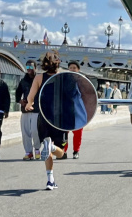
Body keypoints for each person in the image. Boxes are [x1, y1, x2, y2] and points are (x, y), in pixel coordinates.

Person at [25, 51, 66, 190]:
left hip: (42, 117)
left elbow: (30, 97)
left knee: (47, 147)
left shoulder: (39, 77)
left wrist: (29, 104)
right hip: (59, 119)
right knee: (61, 153)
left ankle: (50, 180)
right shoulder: (63, 77)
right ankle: (52, 147)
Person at [15, 59, 41, 160]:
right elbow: (17, 93)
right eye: (27, 67)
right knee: (25, 132)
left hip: (37, 109)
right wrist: (20, 101)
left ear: (35, 68)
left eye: (31, 67)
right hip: (25, 109)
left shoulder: (39, 79)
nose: (29, 69)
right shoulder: (23, 80)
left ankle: (37, 149)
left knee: (35, 130)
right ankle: (28, 152)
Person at [67, 60, 84, 159]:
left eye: (74, 68)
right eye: (70, 68)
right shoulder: (64, 79)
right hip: (66, 110)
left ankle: (76, 151)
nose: (72, 69)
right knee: (64, 131)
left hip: (78, 110)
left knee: (78, 132)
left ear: (78, 69)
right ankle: (63, 151)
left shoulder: (82, 81)